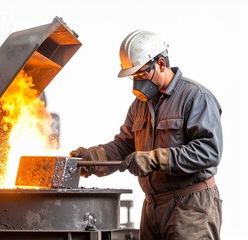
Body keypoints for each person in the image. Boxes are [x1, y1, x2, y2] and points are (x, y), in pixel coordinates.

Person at [70, 30, 223, 240]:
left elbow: (209, 151)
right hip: (152, 206)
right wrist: (91, 159)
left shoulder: (196, 97)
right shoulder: (140, 105)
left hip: (190, 206)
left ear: (161, 63)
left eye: (141, 75)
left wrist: (154, 159)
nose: (137, 83)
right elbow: (124, 146)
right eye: (134, 77)